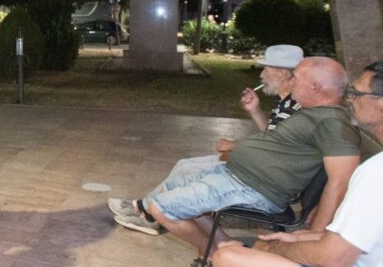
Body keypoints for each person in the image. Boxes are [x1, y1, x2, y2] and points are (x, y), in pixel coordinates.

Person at [214, 61, 383, 267]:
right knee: (286, 243)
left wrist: (274, 248)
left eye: (357, 94)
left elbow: (333, 259)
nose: (349, 99)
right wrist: (308, 238)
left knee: (227, 260)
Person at [111, 57, 362, 267]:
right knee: (171, 187)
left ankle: (212, 255)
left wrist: (315, 236)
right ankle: (227, 248)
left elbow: (340, 182)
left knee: (162, 208)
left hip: (255, 188)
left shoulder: (333, 123)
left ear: (316, 87)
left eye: (296, 77)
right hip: (238, 176)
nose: (292, 81)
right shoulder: (313, 112)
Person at [107, 44, 304, 220]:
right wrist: (255, 110)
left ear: (282, 73)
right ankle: (148, 210)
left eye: (266, 68)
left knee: (189, 172)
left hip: (261, 179)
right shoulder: (285, 101)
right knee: (184, 165)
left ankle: (147, 211)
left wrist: (235, 145)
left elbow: (276, 147)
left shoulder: (295, 107)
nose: (261, 74)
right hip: (259, 170)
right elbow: (272, 136)